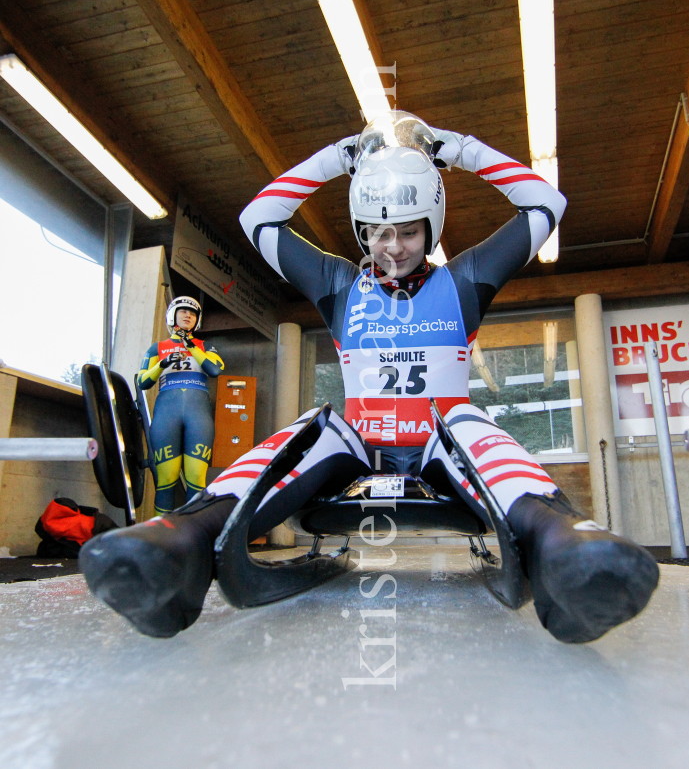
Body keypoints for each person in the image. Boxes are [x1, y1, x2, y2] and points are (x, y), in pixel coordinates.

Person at [81, 113, 658, 641]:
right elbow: (257, 217)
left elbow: (545, 205)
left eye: (407, 231)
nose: (393, 247)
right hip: (357, 447)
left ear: (430, 225)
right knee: (317, 422)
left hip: (441, 444)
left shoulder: (464, 281)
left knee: (468, 418)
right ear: (361, 232)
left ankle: (558, 538)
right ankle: (186, 535)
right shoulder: (339, 284)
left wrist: (456, 151)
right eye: (378, 233)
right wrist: (339, 157)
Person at [138, 296, 225, 513]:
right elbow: (142, 382)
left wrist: (191, 346)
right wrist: (162, 363)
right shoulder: (156, 348)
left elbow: (215, 370)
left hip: (198, 415)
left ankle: (194, 533)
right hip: (167, 413)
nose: (188, 315)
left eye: (193, 313)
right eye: (183, 311)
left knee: (196, 478)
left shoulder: (205, 346)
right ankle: (161, 535)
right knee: (166, 479)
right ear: (172, 316)